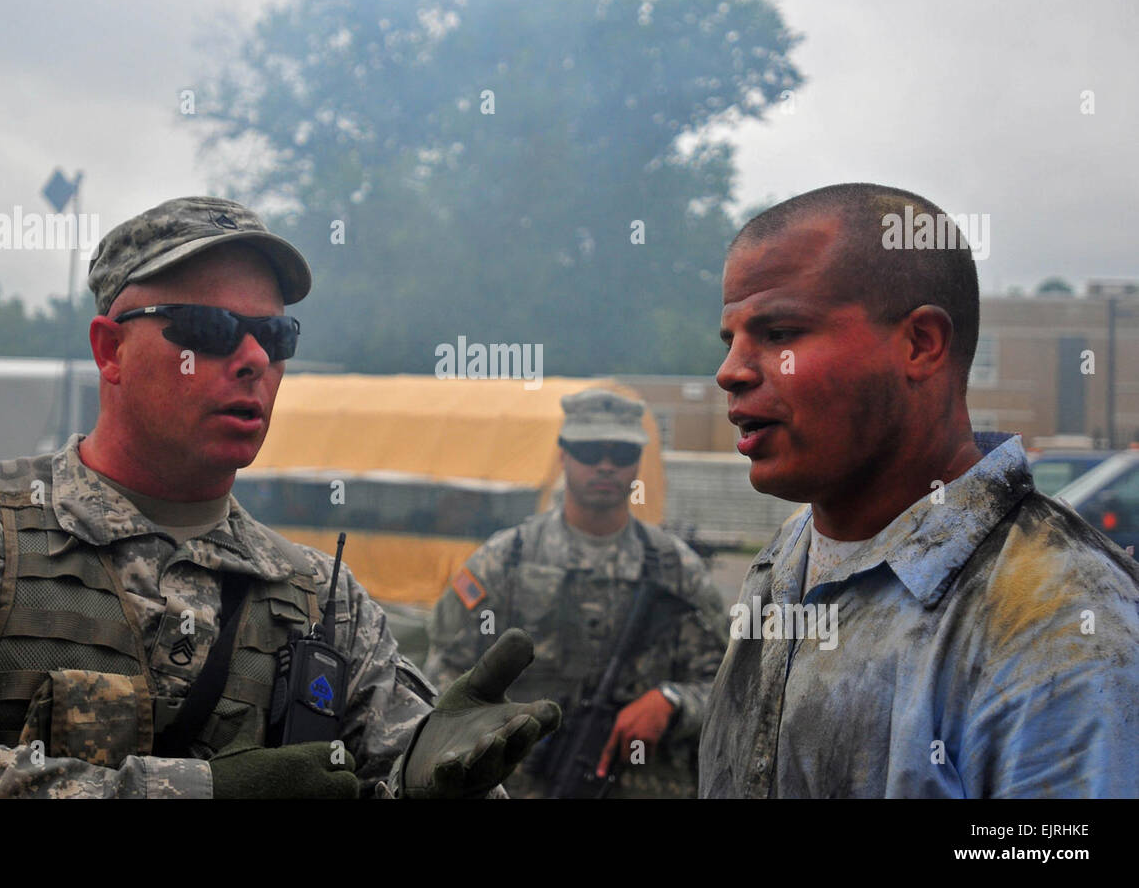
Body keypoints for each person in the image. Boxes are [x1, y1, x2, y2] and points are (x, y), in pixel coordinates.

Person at [0, 196, 559, 798]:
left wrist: (440, 784)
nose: (252, 359)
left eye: (275, 336)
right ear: (110, 350)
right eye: (209, 330)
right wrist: (194, 793)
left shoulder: (324, 604)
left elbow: (403, 773)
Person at [700, 182, 1139, 798]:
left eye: (778, 333)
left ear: (920, 344)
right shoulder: (784, 560)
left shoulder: (1058, 624)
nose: (731, 371)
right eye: (732, 340)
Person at [425, 388, 729, 798]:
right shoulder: (504, 561)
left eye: (620, 454)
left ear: (638, 462)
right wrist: (493, 734)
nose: (605, 466)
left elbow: (729, 688)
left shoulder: (679, 571)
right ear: (564, 454)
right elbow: (443, 676)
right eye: (589, 451)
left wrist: (672, 701)